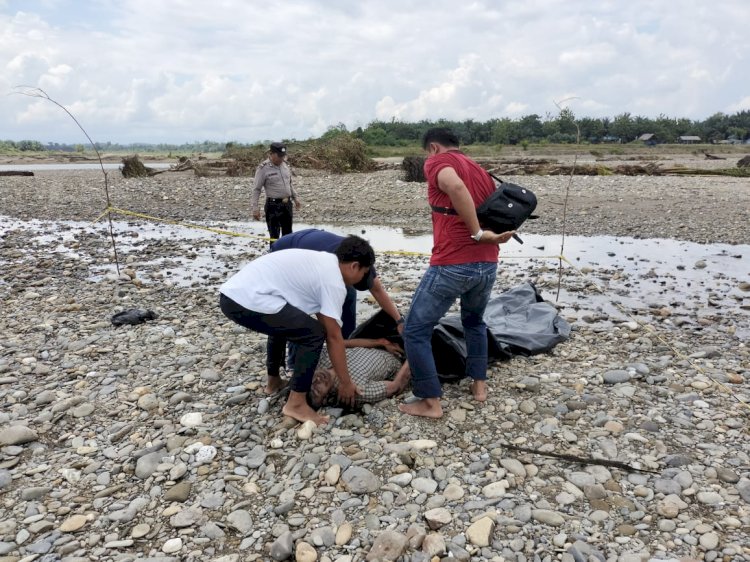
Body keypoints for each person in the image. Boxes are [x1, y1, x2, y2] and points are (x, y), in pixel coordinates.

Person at [400, 128, 516, 419]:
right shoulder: (480, 170)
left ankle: (430, 401)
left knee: (415, 329)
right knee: (474, 321)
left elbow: (456, 187)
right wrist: (484, 237)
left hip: (453, 262)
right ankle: (479, 386)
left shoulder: (437, 162)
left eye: (429, 152)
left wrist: (476, 233)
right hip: (487, 263)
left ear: (434, 148)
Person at [219, 235, 375, 425]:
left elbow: (326, 321)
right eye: (364, 272)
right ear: (354, 266)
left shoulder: (323, 262)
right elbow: (333, 337)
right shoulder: (333, 281)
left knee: (287, 323)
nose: (362, 279)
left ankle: (273, 382)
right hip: (245, 299)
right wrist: (346, 383)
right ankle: (297, 404)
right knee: (313, 334)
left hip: (233, 294)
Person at [271, 228, 405, 338]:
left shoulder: (364, 261)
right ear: (354, 267)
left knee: (349, 293)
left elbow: (377, 290)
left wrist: (398, 320)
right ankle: (291, 361)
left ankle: (348, 339)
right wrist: (334, 337)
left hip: (312, 239)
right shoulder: (328, 267)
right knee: (299, 311)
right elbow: (322, 309)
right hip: (286, 249)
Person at [309, 338, 411, 408]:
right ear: (326, 400)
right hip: (400, 356)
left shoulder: (320, 360)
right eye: (316, 390)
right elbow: (395, 386)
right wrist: (414, 353)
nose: (316, 380)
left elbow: (339, 343)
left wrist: (382, 343)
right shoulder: (355, 392)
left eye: (310, 381)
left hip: (378, 339)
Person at [251, 142, 301, 244]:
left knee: (288, 235)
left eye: (283, 156)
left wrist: (295, 198)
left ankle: (287, 258)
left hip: (287, 205)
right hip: (273, 206)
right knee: (274, 237)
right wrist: (255, 208)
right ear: (272, 154)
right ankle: (274, 257)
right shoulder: (263, 168)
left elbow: (289, 183)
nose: (281, 159)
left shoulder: (285, 165)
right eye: (279, 156)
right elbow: (256, 189)